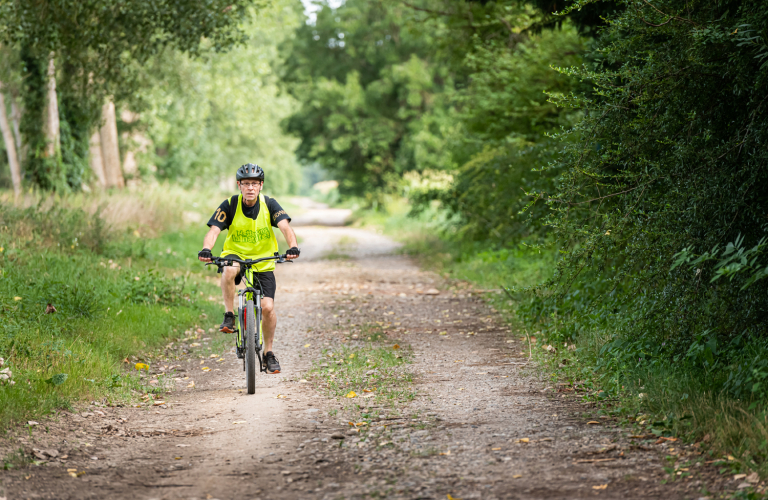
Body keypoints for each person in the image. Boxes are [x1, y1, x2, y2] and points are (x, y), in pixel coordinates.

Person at [197, 163, 299, 374]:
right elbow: (214, 230)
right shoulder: (230, 204)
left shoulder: (269, 204)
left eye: (254, 183)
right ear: (239, 185)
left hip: (263, 261)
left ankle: (269, 353)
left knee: (268, 307)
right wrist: (206, 249)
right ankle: (228, 315)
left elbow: (285, 227)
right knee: (228, 269)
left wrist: (293, 246)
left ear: (261, 185)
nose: (250, 187)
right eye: (245, 184)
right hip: (236, 255)